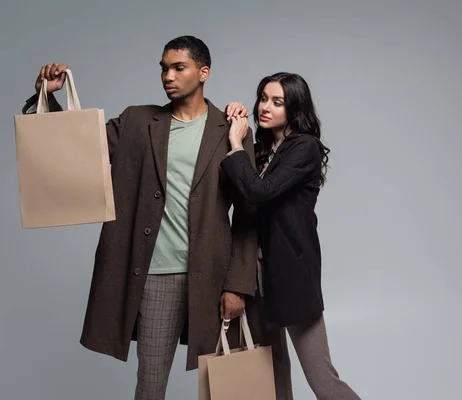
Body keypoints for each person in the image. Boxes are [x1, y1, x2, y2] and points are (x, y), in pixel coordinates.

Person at [21, 36, 258, 400]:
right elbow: (76, 148)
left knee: (228, 387)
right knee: (150, 384)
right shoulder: (136, 121)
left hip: (211, 275)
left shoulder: (231, 129)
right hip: (155, 274)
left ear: (204, 72)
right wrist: (46, 95)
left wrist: (238, 284)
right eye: (164, 67)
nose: (168, 75)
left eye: (179, 67)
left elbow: (247, 214)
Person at [222, 72, 361, 400]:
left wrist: (234, 144)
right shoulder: (267, 147)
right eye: (263, 99)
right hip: (256, 277)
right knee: (270, 375)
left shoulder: (304, 147)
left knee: (322, 379)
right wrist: (233, 118)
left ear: (295, 108)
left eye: (277, 102)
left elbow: (259, 191)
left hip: (292, 274)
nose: (265, 107)